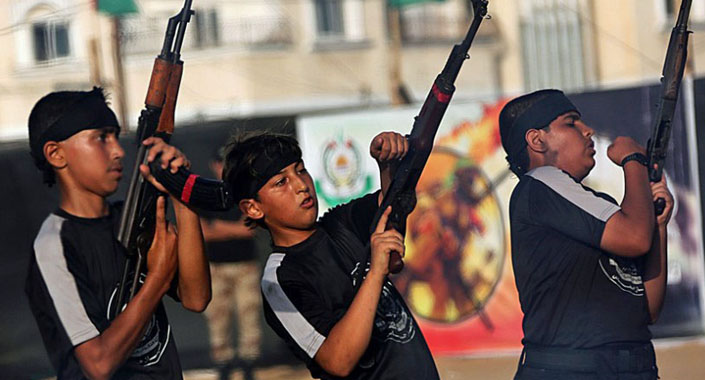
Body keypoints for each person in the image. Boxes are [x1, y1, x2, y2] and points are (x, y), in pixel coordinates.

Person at [25, 88, 211, 379]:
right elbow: (98, 364)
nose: (118, 150)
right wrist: (158, 279)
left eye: (115, 135)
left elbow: (196, 298)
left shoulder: (132, 217)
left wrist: (182, 197)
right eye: (101, 137)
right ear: (56, 154)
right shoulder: (54, 246)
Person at [221, 132, 440, 379]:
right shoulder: (280, 280)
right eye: (281, 182)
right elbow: (338, 360)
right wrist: (376, 272)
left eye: (301, 170)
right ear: (253, 208)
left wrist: (388, 164)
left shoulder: (341, 224)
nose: (301, 185)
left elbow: (393, 208)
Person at [499, 89, 673, 380]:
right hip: (571, 369)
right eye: (571, 122)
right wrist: (633, 160)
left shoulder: (599, 208)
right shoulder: (539, 182)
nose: (587, 130)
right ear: (536, 140)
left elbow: (647, 310)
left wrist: (659, 226)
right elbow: (635, 238)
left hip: (626, 366)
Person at [200, 151, 261, 380]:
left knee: (248, 315)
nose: (223, 168)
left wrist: (219, 228)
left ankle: (248, 364)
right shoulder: (206, 195)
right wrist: (231, 230)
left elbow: (249, 229)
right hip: (216, 267)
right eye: (220, 163)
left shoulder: (245, 193)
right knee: (217, 317)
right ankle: (223, 363)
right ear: (213, 165)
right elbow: (203, 232)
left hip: (245, 265)